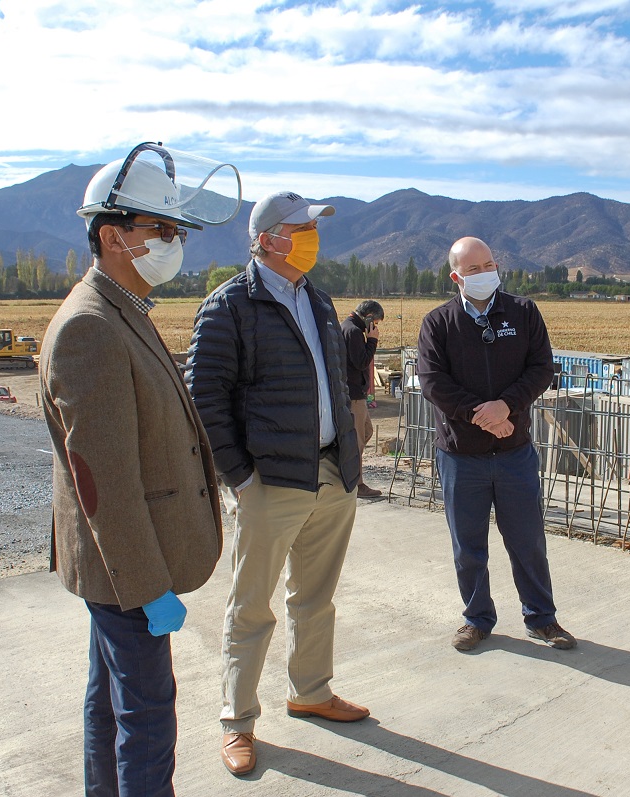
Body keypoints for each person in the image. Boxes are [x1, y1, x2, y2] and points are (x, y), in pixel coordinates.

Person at [41, 143, 233, 796]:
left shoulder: (123, 308)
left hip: (120, 565)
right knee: (147, 714)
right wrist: (148, 584)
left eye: (176, 230)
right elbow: (106, 483)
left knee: (111, 701)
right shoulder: (90, 328)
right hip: (125, 566)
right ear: (113, 235)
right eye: (163, 229)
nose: (174, 243)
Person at [185, 190, 368, 779]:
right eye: (301, 228)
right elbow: (205, 399)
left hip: (331, 473)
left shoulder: (316, 298)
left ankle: (310, 691)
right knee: (251, 605)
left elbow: (333, 384)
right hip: (271, 480)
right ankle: (237, 723)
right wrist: (241, 476)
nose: (312, 237)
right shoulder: (228, 306)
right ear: (267, 239)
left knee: (315, 595)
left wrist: (349, 454)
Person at [416, 236, 575, 653]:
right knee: (468, 546)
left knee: (528, 541)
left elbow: (541, 368)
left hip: (513, 453)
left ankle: (542, 618)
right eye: (473, 269)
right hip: (460, 456)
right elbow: (433, 383)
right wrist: (481, 416)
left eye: (489, 264)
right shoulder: (438, 323)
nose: (485, 273)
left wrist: (507, 406)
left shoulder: (522, 312)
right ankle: (476, 618)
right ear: (456, 277)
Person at [342, 300, 385, 498]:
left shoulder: (350, 328)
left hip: (357, 394)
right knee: (357, 442)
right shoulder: (353, 332)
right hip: (353, 395)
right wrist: (372, 341)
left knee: (366, 432)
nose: (375, 327)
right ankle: (357, 485)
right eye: (375, 322)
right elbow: (361, 362)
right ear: (368, 317)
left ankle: (348, 474)